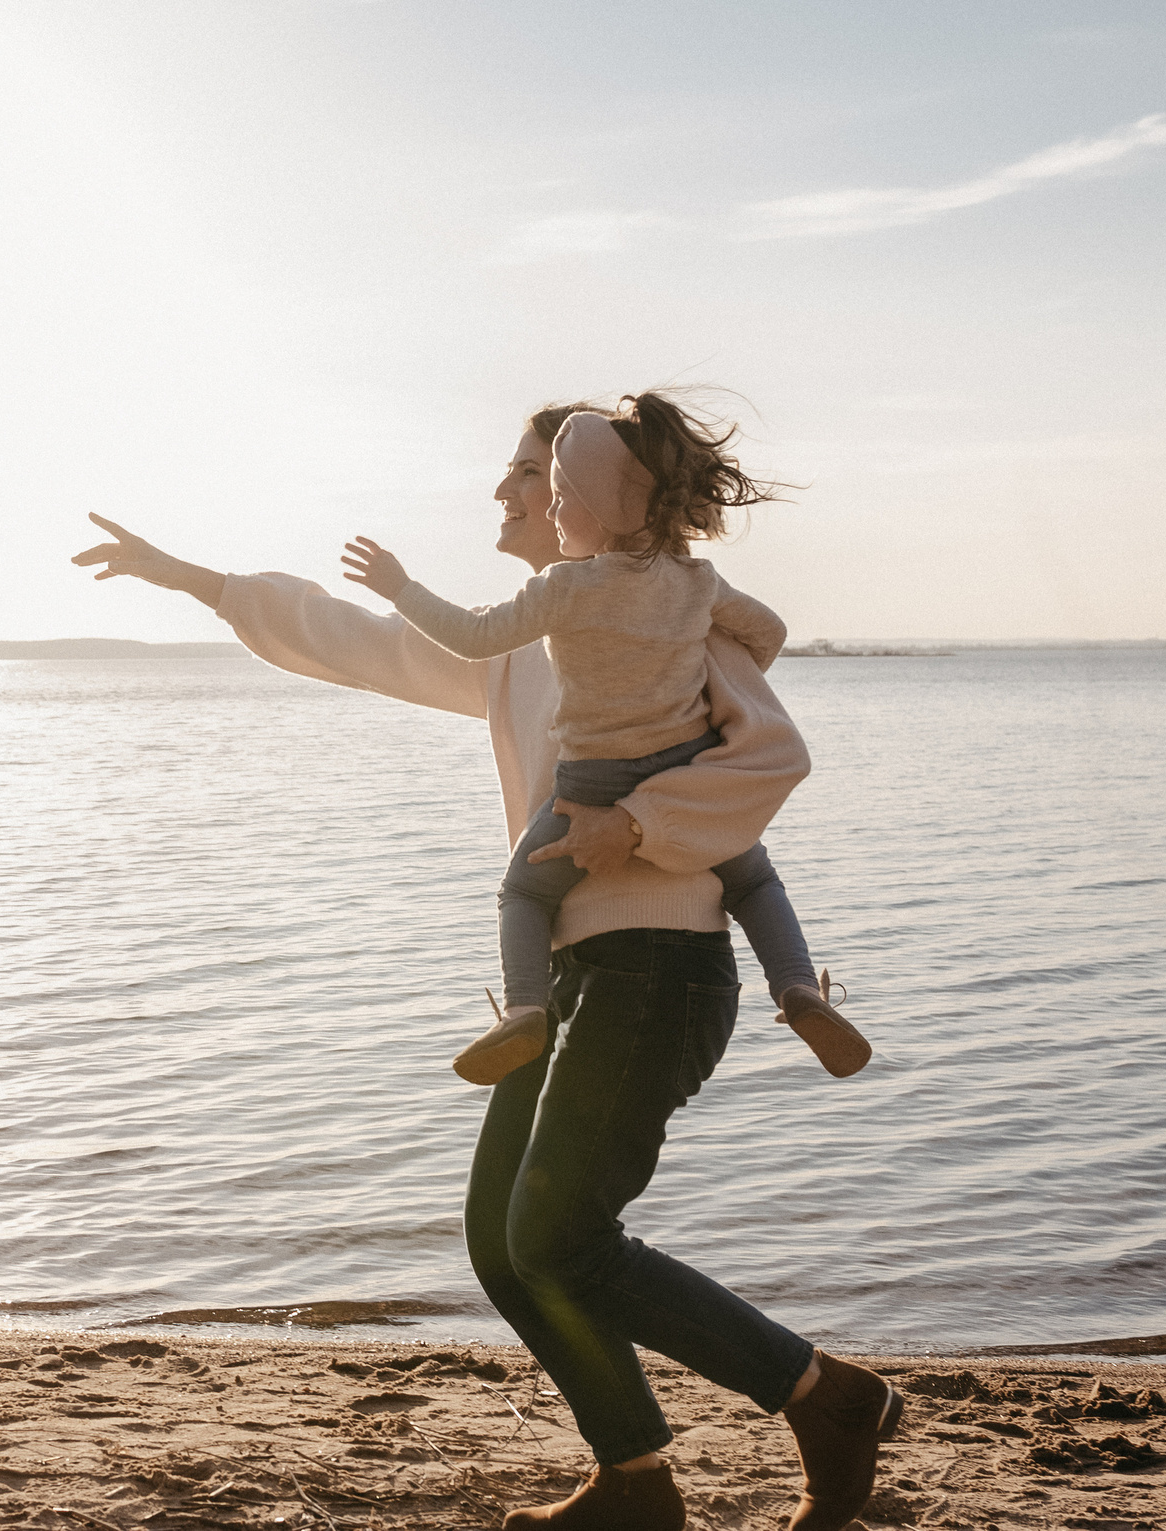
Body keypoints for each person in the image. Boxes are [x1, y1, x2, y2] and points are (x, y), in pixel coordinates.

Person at [70, 399, 901, 1531]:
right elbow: (347, 634)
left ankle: (824, 1396)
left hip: (661, 962)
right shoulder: (526, 641)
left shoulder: (677, 617)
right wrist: (194, 578)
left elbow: (769, 756)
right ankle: (635, 1480)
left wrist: (637, 824)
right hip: (568, 982)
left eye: (527, 471)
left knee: (560, 1238)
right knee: (505, 1248)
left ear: (589, 494)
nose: (506, 491)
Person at [338, 392, 870, 1081]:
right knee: (754, 878)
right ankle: (799, 990)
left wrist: (400, 587)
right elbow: (768, 630)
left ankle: (524, 1010)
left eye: (563, 498)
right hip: (683, 764)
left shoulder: (565, 587)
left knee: (524, 893)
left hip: (592, 780)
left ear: (600, 508)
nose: (554, 511)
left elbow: (473, 637)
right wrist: (718, 676)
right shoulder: (696, 581)